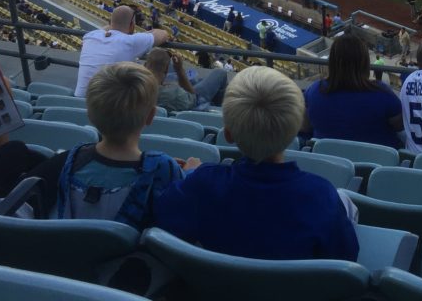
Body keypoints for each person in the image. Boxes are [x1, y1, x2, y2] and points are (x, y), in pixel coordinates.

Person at [154, 67, 359, 261]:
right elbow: (345, 258)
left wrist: (189, 175)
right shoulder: (322, 195)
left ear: (228, 134)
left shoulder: (202, 184)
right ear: (294, 133)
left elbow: (163, 218)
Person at [25, 62, 187, 226]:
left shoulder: (70, 161)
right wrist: (187, 172)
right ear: (151, 116)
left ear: (89, 114)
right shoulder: (163, 169)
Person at [302, 35, 403, 148]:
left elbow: (304, 127)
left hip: (327, 157)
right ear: (364, 62)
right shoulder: (382, 92)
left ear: (332, 62)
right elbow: (400, 126)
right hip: (377, 158)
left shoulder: (314, 91)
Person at [74, 6, 169, 97]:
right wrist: (142, 34)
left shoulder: (90, 36)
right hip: (104, 104)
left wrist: (116, 22)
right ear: (132, 25)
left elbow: (106, 29)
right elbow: (163, 34)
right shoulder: (131, 41)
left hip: (78, 98)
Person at [145, 48, 228, 112]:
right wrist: (179, 70)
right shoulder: (175, 94)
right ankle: (217, 109)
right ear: (166, 70)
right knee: (220, 73)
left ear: (144, 65)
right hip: (195, 100)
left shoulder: (138, 86)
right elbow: (193, 97)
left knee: (194, 80)